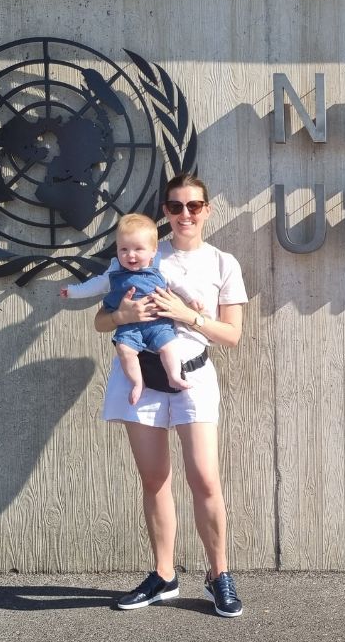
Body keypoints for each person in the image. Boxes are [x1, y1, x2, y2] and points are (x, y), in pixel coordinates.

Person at [93, 173, 247, 617]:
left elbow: (232, 336)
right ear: (165, 211)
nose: (185, 215)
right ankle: (163, 575)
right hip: (139, 381)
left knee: (205, 479)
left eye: (193, 206)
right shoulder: (140, 252)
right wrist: (124, 312)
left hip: (193, 380)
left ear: (207, 210)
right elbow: (101, 323)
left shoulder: (223, 263)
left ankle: (219, 575)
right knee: (154, 479)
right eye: (176, 207)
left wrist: (187, 316)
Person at [62, 213, 193, 405]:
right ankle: (138, 383)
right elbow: (96, 285)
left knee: (169, 347)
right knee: (124, 349)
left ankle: (173, 375)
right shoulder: (114, 271)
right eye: (123, 249)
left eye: (138, 249)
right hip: (129, 326)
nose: (130, 255)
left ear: (153, 251)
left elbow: (179, 284)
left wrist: (192, 300)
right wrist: (73, 291)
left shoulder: (160, 267)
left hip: (158, 323)